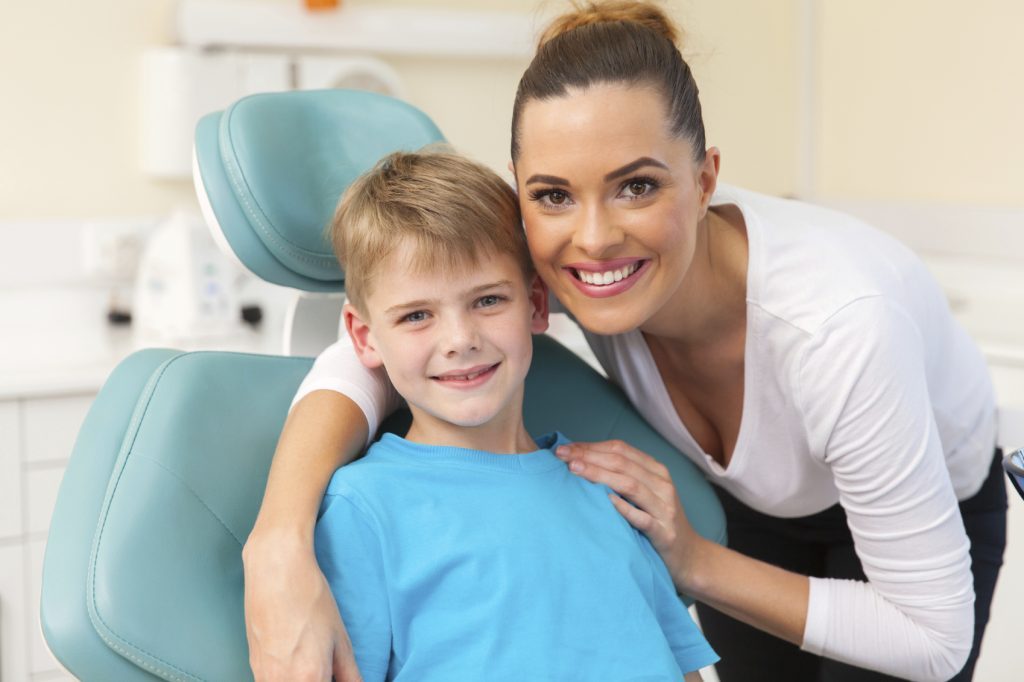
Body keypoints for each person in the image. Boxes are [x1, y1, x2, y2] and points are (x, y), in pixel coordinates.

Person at [241, 2, 1007, 681]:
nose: (596, 238)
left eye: (637, 184)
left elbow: (933, 638)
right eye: (552, 195)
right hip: (741, 508)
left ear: (706, 178)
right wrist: (278, 540)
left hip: (910, 522)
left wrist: (696, 561)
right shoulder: (533, 268)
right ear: (522, 195)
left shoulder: (841, 324)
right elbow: (380, 353)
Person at [309, 149, 718, 681]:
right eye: (416, 316)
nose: (460, 340)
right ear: (365, 337)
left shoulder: (604, 490)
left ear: (535, 305)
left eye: (487, 301)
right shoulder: (364, 512)